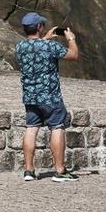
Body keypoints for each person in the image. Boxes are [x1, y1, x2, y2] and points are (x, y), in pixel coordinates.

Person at [14, 12, 79, 182]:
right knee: (57, 127)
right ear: (39, 27)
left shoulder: (20, 47)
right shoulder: (50, 47)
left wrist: (46, 39)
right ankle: (59, 171)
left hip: (30, 97)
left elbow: (35, 48)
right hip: (50, 96)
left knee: (31, 128)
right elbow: (73, 55)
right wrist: (70, 38)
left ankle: (29, 170)